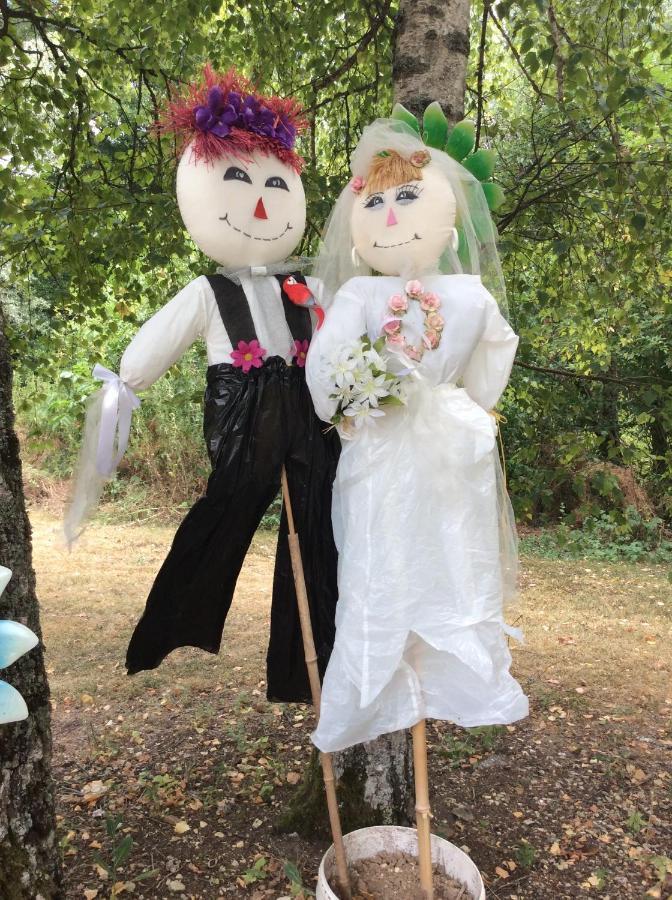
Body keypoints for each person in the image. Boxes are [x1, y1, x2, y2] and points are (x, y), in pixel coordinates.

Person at [65, 67, 339, 703]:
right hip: (243, 420)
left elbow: (344, 341)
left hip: (309, 418)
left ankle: (313, 665)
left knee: (321, 528)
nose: (264, 204)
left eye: (277, 185)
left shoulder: (309, 291)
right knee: (223, 515)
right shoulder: (208, 293)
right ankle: (173, 624)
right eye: (242, 182)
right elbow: (152, 347)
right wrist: (125, 386)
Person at [305, 118, 529, 752]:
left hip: (411, 444)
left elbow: (326, 372)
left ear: (448, 218)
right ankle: (390, 679)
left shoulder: (455, 294)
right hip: (400, 443)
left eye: (407, 196)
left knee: (443, 558)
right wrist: (464, 402)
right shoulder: (370, 294)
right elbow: (329, 372)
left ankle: (438, 675)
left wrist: (350, 402)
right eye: (373, 200)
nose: (390, 212)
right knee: (387, 561)